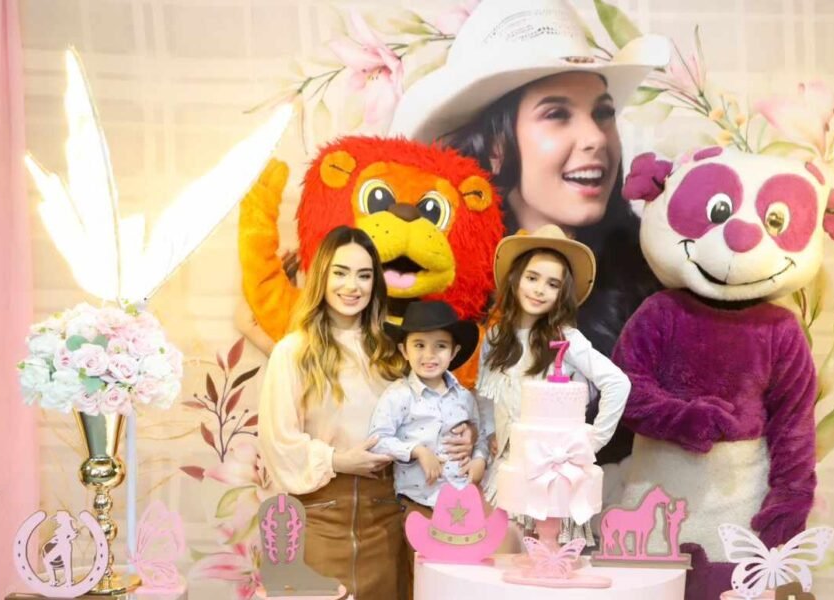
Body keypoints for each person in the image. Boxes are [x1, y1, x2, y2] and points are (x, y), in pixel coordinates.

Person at [388, 0, 668, 463]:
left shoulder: (649, 283)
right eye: (557, 114)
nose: (596, 138)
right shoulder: (453, 293)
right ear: (497, 146)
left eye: (602, 113)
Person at [257, 225, 406, 599]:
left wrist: (464, 435)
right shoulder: (293, 352)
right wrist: (339, 461)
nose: (352, 286)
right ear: (322, 275)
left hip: (387, 522)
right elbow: (278, 442)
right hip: (319, 521)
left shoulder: (394, 352)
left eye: (364, 275)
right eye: (340, 272)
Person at [477, 224, 630, 546]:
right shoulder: (495, 338)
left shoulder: (566, 339)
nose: (539, 290)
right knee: (500, 563)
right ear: (516, 279)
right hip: (504, 474)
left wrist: (592, 441)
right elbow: (485, 397)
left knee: (542, 564)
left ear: (562, 293)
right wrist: (490, 434)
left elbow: (618, 383)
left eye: (552, 284)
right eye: (532, 278)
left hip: (550, 483)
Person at [367, 300, 487, 597]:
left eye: (440, 346)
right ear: (404, 350)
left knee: (458, 579)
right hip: (418, 504)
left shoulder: (464, 397)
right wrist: (418, 451)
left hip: (460, 505)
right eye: (419, 345)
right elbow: (378, 439)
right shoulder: (398, 396)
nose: (429, 355)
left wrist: (479, 460)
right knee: (422, 576)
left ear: (454, 352)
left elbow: (481, 436)